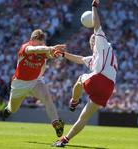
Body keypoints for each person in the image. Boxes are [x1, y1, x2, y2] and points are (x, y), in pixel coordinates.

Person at [53, 0, 118, 147]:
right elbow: (79, 59)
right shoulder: (97, 57)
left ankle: (74, 101)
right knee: (84, 117)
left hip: (99, 80)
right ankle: (64, 140)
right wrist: (63, 54)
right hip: (108, 89)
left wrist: (94, 7)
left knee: (80, 79)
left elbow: (96, 25)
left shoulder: (102, 44)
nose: (91, 41)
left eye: (92, 40)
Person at [3, 29, 66, 137]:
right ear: (32, 40)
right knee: (13, 109)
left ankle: (56, 124)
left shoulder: (43, 49)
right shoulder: (26, 48)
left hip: (35, 81)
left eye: (42, 42)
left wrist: (54, 54)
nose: (41, 45)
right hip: (20, 84)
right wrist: (49, 48)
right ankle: (8, 109)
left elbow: (49, 55)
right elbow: (36, 49)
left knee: (47, 98)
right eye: (39, 42)